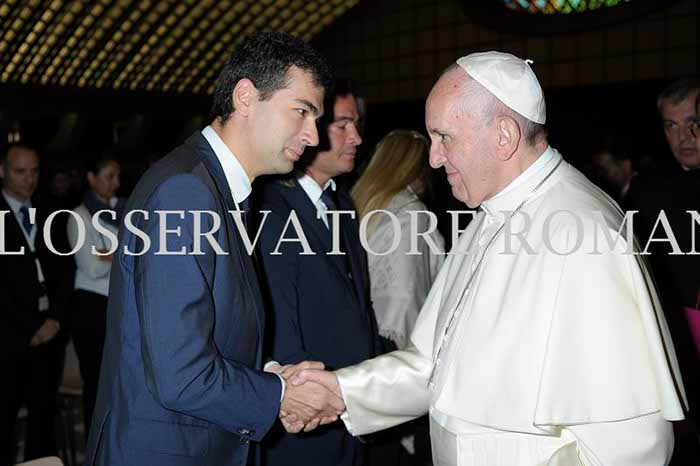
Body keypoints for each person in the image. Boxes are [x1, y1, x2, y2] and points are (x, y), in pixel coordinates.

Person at [291, 52, 688, 465]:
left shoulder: (585, 235)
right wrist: (340, 390)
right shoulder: (490, 213)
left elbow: (632, 447)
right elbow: (435, 363)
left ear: (503, 136)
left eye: (445, 137)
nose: (433, 158)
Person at [83, 31, 344, 466]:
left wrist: (271, 375)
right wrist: (278, 396)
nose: (313, 136)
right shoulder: (186, 191)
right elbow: (180, 374)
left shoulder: (216, 187)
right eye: (301, 111)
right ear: (245, 97)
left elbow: (208, 334)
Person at [257, 79, 384, 466]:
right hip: (307, 425)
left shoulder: (342, 203)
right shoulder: (272, 210)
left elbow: (360, 307)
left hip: (351, 414)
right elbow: (277, 324)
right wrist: (308, 403)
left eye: (356, 125)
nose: (357, 138)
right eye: (343, 125)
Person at [351, 129, 445, 465]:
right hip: (396, 366)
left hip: (358, 359)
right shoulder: (411, 216)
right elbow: (407, 301)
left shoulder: (357, 205)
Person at [0, 144, 66, 464]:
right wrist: (28, 328)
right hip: (9, 335)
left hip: (48, 330)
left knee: (43, 419)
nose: (29, 179)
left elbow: (65, 270)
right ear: (2, 171)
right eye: (20, 171)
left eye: (35, 171)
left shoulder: (49, 209)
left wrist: (54, 318)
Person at [352, 129, 445, 350]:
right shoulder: (412, 214)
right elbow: (407, 296)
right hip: (390, 348)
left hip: (355, 336)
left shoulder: (355, 202)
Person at [66, 153, 124, 437]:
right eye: (108, 176)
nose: (116, 183)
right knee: (96, 383)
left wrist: (107, 255)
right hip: (89, 308)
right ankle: (94, 445)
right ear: (91, 178)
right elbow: (89, 266)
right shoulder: (78, 216)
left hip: (117, 304)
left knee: (117, 381)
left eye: (117, 176)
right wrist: (121, 252)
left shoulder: (123, 211)